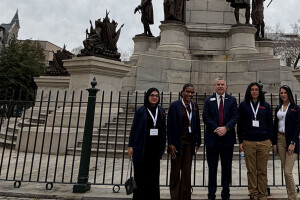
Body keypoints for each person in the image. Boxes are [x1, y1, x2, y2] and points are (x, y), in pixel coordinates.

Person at [202, 77, 238, 200]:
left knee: (226, 168)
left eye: (222, 84)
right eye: (218, 84)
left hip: (227, 139)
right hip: (212, 139)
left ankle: (226, 193)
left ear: (226, 86)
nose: (220, 86)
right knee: (212, 168)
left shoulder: (232, 100)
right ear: (214, 86)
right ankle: (211, 194)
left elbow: (235, 116)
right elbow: (205, 117)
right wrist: (217, 128)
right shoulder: (208, 100)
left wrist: (226, 128)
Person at [128, 88, 166, 200]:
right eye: (152, 95)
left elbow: (163, 130)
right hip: (142, 148)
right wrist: (131, 145)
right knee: (140, 177)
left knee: (153, 178)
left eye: (157, 95)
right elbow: (134, 129)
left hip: (155, 150)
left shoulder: (161, 111)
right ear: (147, 96)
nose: (154, 97)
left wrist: (163, 146)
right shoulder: (141, 110)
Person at [237, 82, 273, 200]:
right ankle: (253, 193)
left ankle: (262, 194)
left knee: (262, 171)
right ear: (249, 91)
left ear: (260, 91)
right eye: (252, 89)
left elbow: (270, 123)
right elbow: (240, 124)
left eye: (256, 90)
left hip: (263, 141)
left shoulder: (265, 105)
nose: (254, 91)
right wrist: (241, 141)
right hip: (249, 141)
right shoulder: (243, 105)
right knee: (251, 170)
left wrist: (270, 140)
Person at [167, 83, 201, 200]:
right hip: (177, 144)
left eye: (192, 92)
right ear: (183, 92)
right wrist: (170, 143)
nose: (190, 94)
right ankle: (175, 196)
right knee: (175, 172)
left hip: (189, 144)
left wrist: (197, 143)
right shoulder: (175, 106)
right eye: (187, 91)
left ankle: (185, 196)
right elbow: (169, 126)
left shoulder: (194, 106)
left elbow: (197, 126)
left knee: (187, 172)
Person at [272, 85, 300, 200]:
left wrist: (293, 142)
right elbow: (275, 126)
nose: (283, 95)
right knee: (285, 170)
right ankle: (290, 195)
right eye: (281, 93)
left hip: (291, 141)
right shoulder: (278, 107)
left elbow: (298, 126)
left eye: (285, 93)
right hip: (280, 139)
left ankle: (293, 197)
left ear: (289, 94)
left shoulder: (295, 108)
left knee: (288, 172)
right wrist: (274, 143)